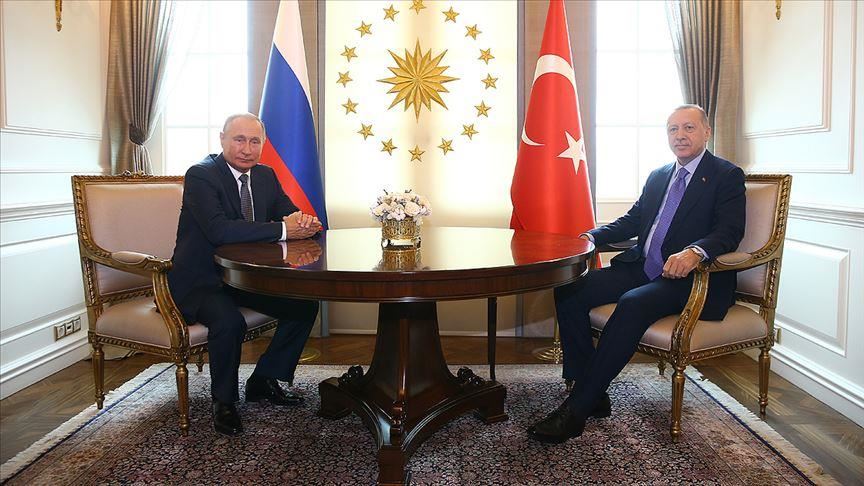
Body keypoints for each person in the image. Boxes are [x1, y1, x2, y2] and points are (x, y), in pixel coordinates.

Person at [528, 104, 746, 443]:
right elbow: (632, 220)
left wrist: (694, 251)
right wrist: (591, 237)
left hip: (690, 279)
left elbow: (730, 231)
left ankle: (576, 410)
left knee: (632, 303)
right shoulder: (659, 175)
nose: (680, 135)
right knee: (569, 288)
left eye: (688, 128)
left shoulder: (725, 175)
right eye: (673, 129)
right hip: (643, 268)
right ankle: (592, 391)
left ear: (707, 131)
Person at [168, 113, 322, 436]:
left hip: (244, 279)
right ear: (222, 139)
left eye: (255, 141)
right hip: (203, 281)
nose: (247, 149)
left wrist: (304, 223)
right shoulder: (201, 175)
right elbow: (220, 231)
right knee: (229, 322)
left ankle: (264, 379)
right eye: (239, 140)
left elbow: (288, 214)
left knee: (304, 305)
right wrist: (284, 229)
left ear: (263, 145)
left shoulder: (264, 175)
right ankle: (223, 402)